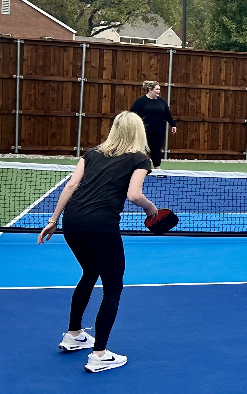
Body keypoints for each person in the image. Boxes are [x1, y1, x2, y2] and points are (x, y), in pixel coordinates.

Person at [39, 111, 159, 373]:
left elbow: (71, 186)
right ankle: (99, 354)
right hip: (101, 226)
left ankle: (73, 335)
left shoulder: (91, 154)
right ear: (139, 132)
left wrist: (53, 220)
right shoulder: (140, 159)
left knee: (90, 272)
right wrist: (152, 210)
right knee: (113, 287)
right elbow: (134, 195)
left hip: (72, 223)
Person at [129, 80, 176, 168]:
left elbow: (167, 114)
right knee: (141, 150)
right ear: (150, 90)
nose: (159, 91)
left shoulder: (161, 101)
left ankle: (157, 168)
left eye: (159, 89)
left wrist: (173, 125)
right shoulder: (140, 101)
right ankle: (139, 167)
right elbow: (132, 115)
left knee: (156, 150)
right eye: (157, 89)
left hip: (159, 131)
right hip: (144, 131)